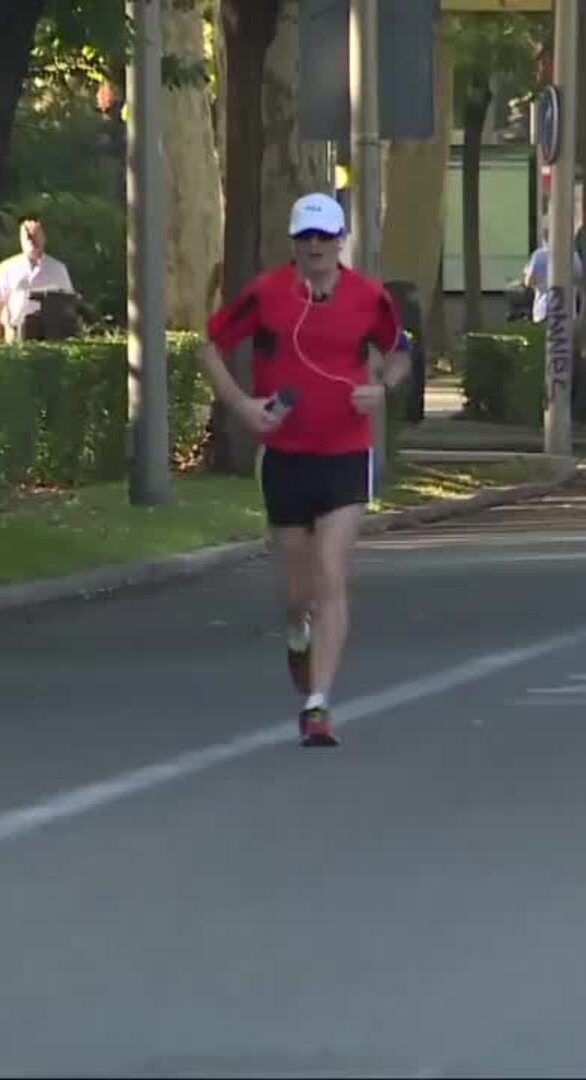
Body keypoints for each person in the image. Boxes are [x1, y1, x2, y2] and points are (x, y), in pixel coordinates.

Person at [199, 193, 412, 748]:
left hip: (345, 452)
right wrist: (242, 405)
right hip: (287, 456)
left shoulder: (369, 298)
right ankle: (298, 635)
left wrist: (380, 389)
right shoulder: (267, 295)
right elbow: (210, 346)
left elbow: (400, 353)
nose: (315, 247)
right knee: (299, 592)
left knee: (330, 574)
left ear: (341, 240)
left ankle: (318, 705)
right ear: (293, 244)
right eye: (305, 239)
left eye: (324, 238)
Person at [0, 216, 76, 344]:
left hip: (50, 338)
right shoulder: (7, 267)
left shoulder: (58, 269)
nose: (30, 239)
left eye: (34, 234)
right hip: (14, 335)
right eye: (25, 235)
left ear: (43, 237)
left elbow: (68, 308)